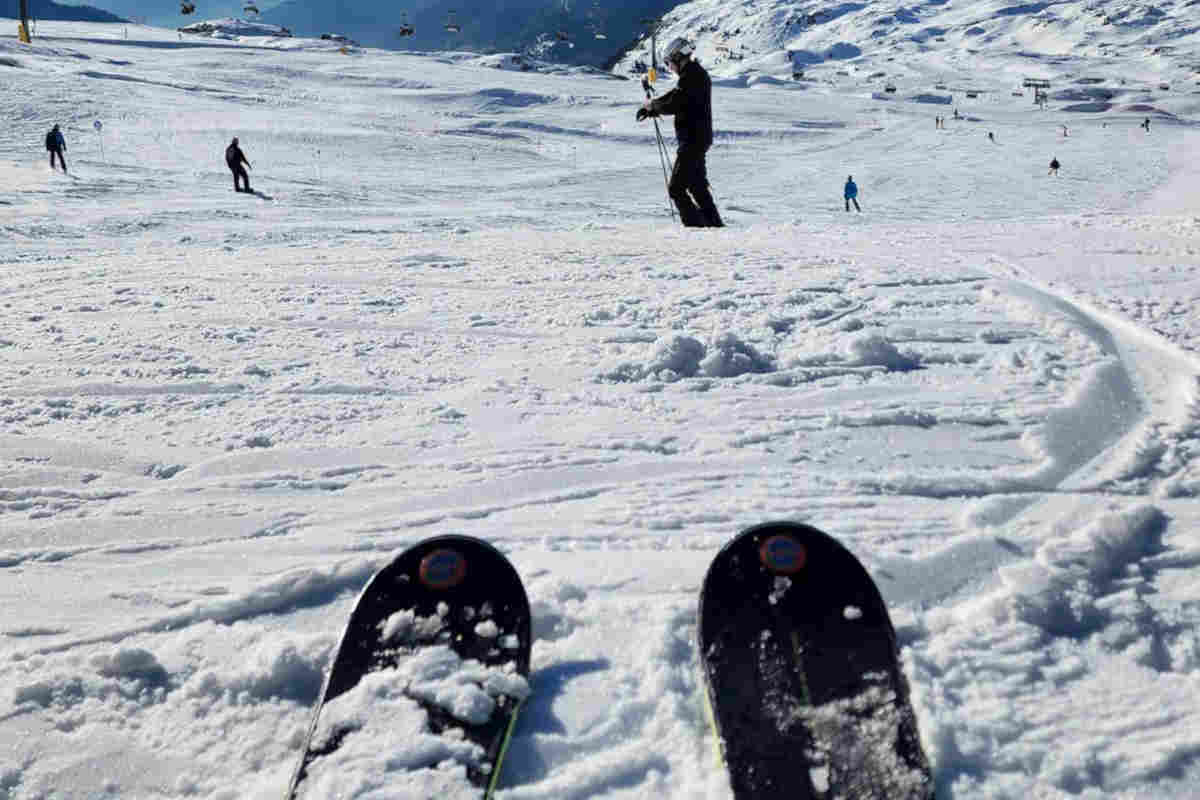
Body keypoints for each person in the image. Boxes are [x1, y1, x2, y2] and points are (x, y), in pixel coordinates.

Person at [635, 38, 723, 227]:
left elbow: (677, 102)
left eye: (668, 62)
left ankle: (696, 230)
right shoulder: (692, 74)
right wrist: (653, 106)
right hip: (696, 138)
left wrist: (654, 107)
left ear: (677, 57)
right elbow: (675, 96)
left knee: (676, 189)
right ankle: (715, 228)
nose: (668, 67)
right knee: (696, 186)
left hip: (693, 140)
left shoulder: (693, 76)